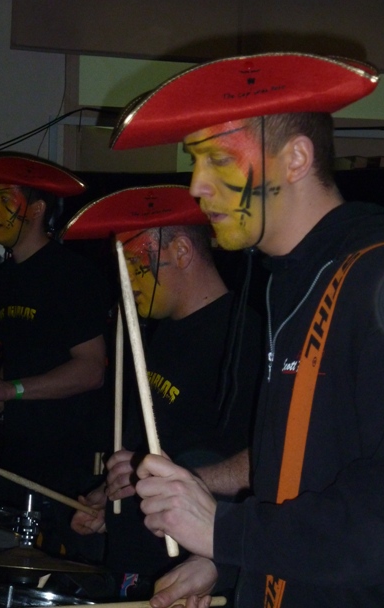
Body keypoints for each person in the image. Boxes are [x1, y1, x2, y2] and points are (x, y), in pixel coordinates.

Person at [107, 53, 384, 607]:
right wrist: (228, 562)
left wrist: (224, 531)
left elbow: (383, 521)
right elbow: (303, 476)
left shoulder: (379, 275)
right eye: (196, 162)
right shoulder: (286, 284)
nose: (196, 186)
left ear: (296, 159)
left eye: (218, 158)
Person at [63, 185, 262, 599]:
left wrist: (185, 479)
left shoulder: (247, 340)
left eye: (134, 261)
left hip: (195, 575)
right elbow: (152, 447)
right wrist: (110, 497)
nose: (126, 278)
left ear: (182, 252)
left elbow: (272, 459)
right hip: (133, 562)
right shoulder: (160, 333)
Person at [0, 153, 111, 559]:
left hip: (67, 458)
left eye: (4, 199)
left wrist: (9, 390)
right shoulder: (8, 277)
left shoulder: (70, 273)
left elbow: (92, 369)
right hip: (18, 454)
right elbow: (17, 364)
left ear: (36, 210)